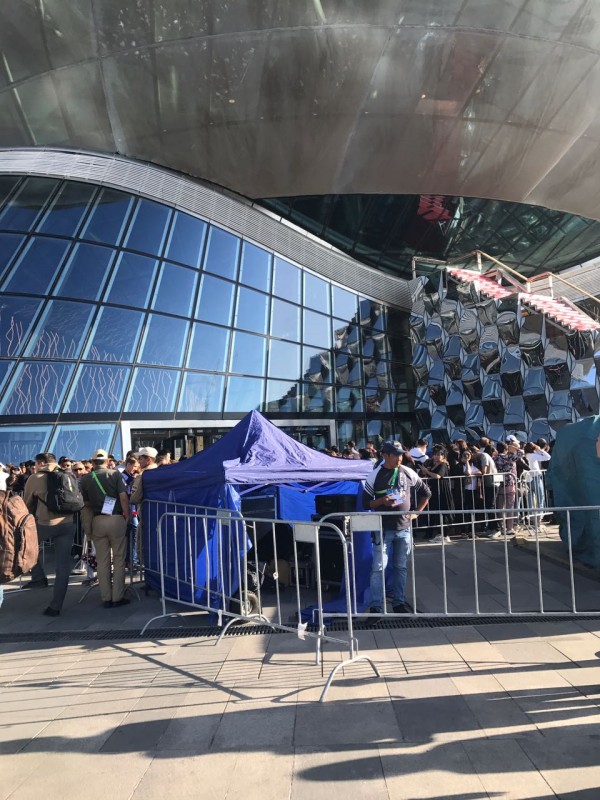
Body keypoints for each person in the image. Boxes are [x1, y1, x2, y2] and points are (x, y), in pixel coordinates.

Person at [363, 441, 431, 615]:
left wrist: (416, 513)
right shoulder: (374, 475)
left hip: (404, 528)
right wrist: (381, 501)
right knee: (378, 568)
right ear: (385, 456)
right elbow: (365, 503)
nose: (399, 458)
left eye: (400, 455)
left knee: (401, 567)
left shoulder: (408, 471)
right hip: (382, 529)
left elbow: (426, 493)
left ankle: (399, 603)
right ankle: (376, 607)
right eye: (395, 455)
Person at [22, 452, 78, 616]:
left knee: (24, 547)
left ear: (40, 463)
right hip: (67, 523)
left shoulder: (35, 478)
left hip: (45, 524)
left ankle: (38, 577)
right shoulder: (68, 475)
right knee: (63, 566)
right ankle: (56, 606)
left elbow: (27, 504)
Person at [79, 449, 130, 608]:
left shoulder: (85, 479)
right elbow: (123, 497)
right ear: (107, 461)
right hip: (116, 518)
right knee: (119, 559)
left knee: (102, 560)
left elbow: (85, 503)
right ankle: (117, 596)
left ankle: (106, 597)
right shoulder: (114, 474)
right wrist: (127, 515)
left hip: (97, 520)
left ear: (92, 462)